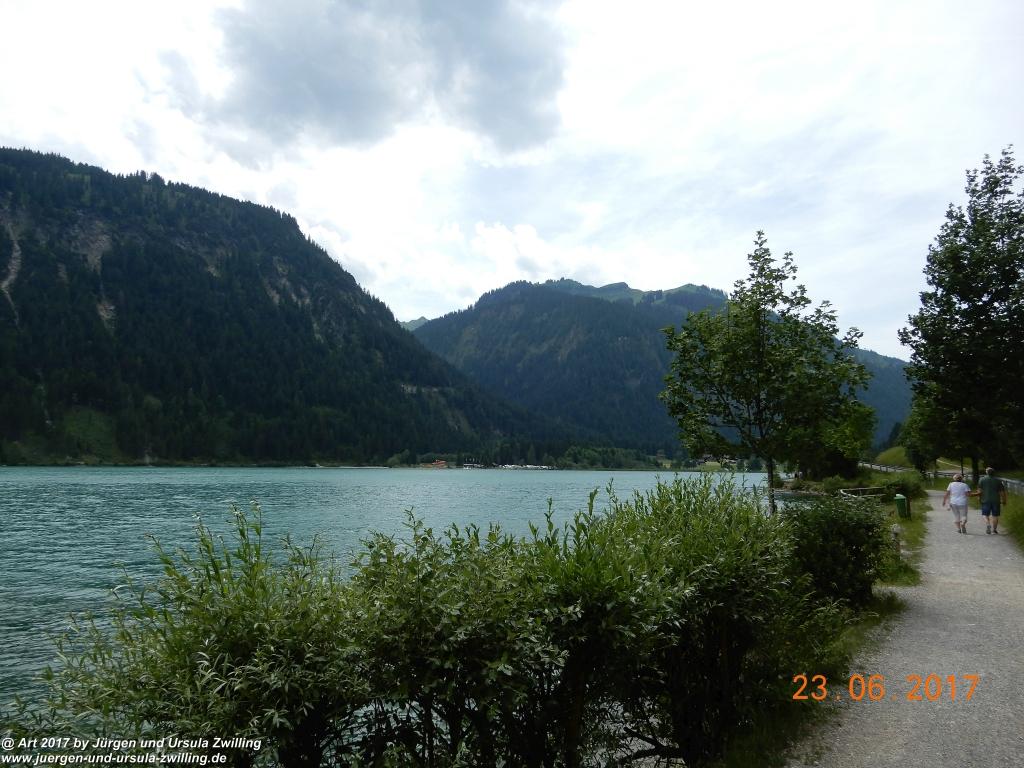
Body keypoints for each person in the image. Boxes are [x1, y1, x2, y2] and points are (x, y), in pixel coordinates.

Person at [978, 467, 1008, 535]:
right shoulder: (998, 481)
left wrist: (979, 498)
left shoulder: (982, 479)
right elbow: (1002, 492)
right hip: (996, 500)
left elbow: (979, 491)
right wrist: (1004, 501)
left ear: (986, 472)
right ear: (993, 473)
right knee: (995, 515)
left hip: (985, 500)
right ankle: (994, 530)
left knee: (985, 514)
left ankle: (988, 524)